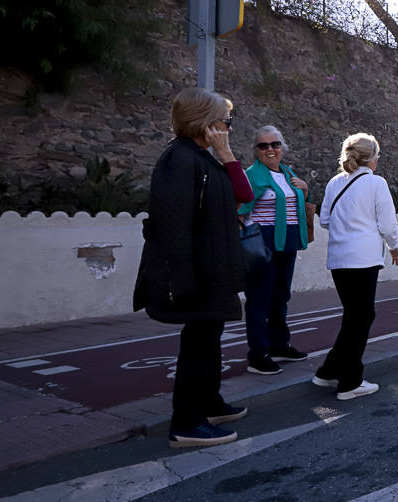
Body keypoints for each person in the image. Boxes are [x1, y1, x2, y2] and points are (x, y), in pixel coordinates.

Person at [133, 88, 253, 448]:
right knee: (198, 345)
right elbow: (172, 225)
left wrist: (226, 152)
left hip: (213, 268)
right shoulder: (178, 160)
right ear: (205, 121)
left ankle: (209, 404)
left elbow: (244, 195)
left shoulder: (204, 157)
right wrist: (182, 278)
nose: (228, 126)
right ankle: (186, 422)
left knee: (209, 340)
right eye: (225, 120)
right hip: (197, 272)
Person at [315, 133, 398, 401]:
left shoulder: (334, 182)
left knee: (354, 316)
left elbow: (325, 220)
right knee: (361, 318)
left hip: (339, 260)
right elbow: (387, 224)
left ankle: (328, 371)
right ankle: (350, 381)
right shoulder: (377, 183)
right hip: (364, 260)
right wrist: (393, 246)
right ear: (372, 158)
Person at [237, 126, 311, 376]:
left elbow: (296, 202)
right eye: (263, 146)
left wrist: (304, 189)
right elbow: (238, 209)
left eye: (275, 144)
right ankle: (258, 355)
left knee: (280, 296)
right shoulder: (251, 176)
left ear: (283, 147)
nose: (270, 150)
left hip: (287, 242)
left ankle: (280, 345)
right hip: (263, 243)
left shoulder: (288, 172)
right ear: (256, 150)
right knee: (259, 300)